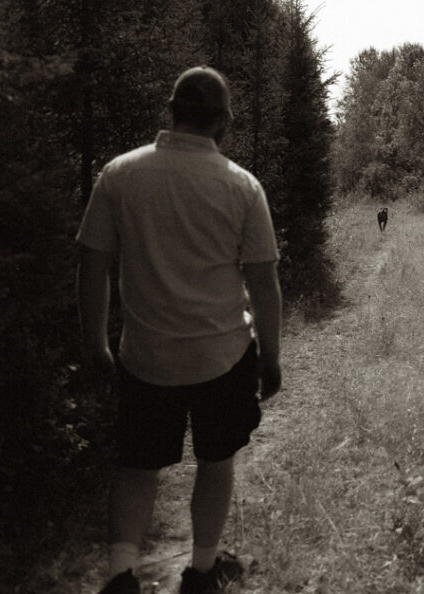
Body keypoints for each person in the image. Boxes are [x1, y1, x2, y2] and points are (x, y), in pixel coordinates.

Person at [78, 66, 283, 594]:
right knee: (216, 461)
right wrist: (271, 359)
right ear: (223, 122)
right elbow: (263, 284)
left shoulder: (119, 175)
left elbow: (93, 265)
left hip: (145, 355)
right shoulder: (241, 187)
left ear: (171, 111)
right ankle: (202, 569)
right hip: (222, 355)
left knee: (136, 466)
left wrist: (96, 342)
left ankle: (121, 576)